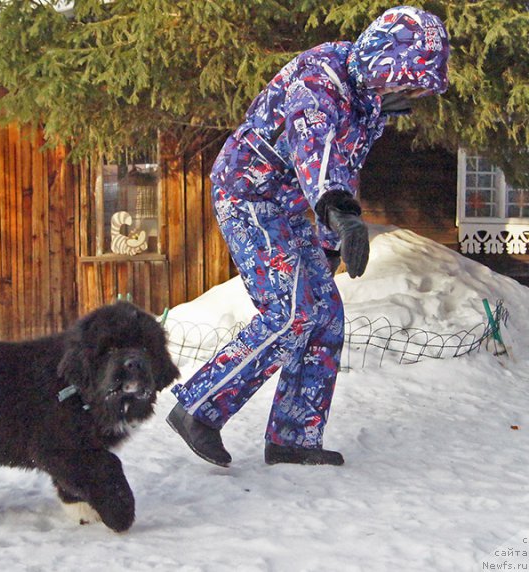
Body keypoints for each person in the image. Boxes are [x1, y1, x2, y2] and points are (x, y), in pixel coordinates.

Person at [167, 6, 450, 467]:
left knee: (325, 315)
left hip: (297, 206)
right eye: (405, 80)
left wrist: (331, 240)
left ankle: (293, 437)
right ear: (385, 60)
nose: (409, 93)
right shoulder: (320, 79)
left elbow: (346, 163)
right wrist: (340, 212)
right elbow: (313, 146)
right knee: (291, 310)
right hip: (250, 195)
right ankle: (198, 409)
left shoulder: (367, 100)